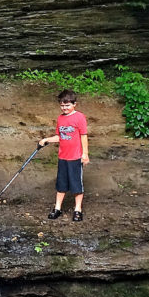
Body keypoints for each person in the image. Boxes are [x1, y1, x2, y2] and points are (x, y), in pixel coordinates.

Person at [39, 88, 89, 222]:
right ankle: (57, 208)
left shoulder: (79, 117)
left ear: (74, 104)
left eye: (67, 105)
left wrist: (85, 154)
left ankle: (78, 210)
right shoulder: (60, 119)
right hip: (63, 157)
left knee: (76, 184)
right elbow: (60, 137)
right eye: (62, 105)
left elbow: (83, 136)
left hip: (75, 157)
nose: (64, 108)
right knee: (61, 184)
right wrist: (46, 140)